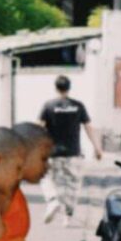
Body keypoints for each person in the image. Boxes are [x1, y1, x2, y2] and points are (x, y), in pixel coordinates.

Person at [37, 76, 92, 221]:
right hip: (73, 152)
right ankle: (68, 214)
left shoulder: (48, 106)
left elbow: (38, 128)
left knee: (45, 176)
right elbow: (88, 128)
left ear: (56, 88)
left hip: (52, 153)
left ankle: (52, 200)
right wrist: (97, 148)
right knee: (72, 182)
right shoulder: (78, 106)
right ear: (69, 88)